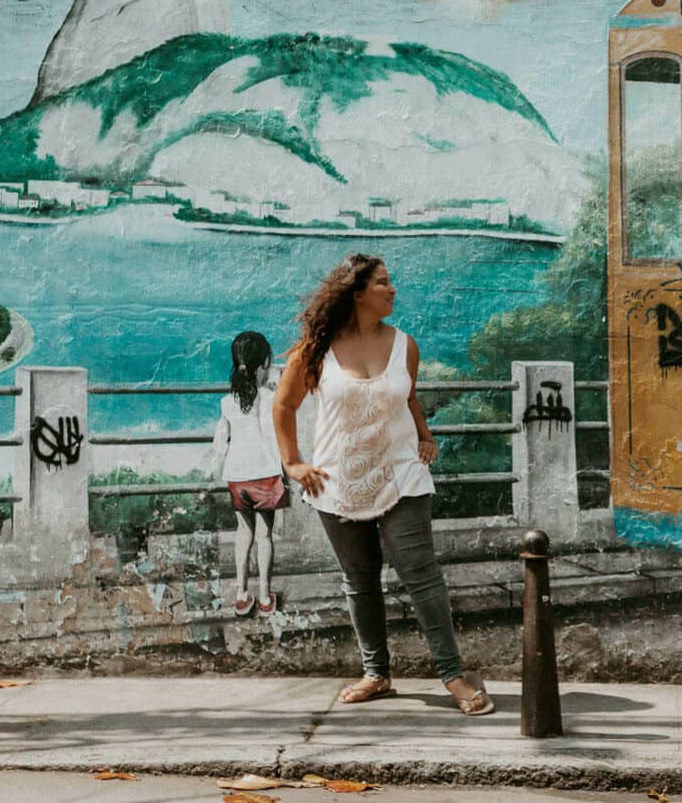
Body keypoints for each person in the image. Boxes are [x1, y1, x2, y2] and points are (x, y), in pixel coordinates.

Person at [271, 254, 495, 716]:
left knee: (420, 571)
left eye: (391, 283)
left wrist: (426, 434)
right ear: (356, 293)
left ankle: (452, 673)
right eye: (383, 284)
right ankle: (377, 674)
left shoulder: (404, 345)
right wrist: (292, 462)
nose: (393, 291)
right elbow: (284, 405)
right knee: (360, 578)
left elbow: (407, 395)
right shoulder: (317, 350)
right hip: (336, 479)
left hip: (402, 472)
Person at [210, 331, 287, 617]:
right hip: (265, 474)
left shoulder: (227, 402)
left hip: (237, 476)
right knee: (265, 535)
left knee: (244, 532)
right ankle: (265, 597)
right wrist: (285, 471)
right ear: (265, 362)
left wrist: (218, 470)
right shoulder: (269, 399)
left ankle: (241, 594)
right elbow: (272, 437)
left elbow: (220, 440)